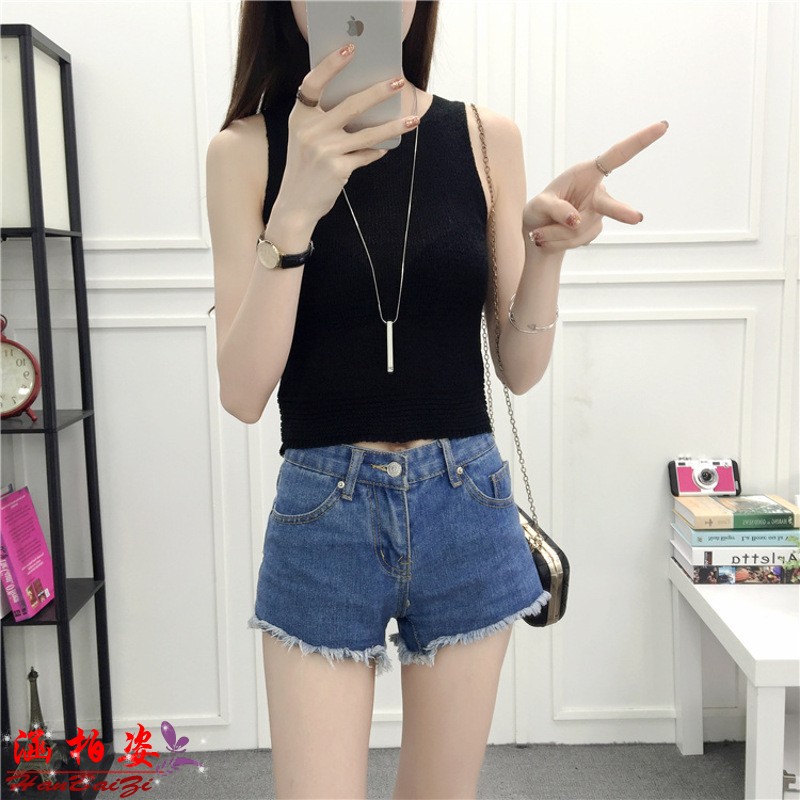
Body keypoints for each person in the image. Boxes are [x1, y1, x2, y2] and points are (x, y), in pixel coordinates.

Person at [205, 2, 668, 797]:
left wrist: (546, 254)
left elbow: (517, 367)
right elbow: (244, 394)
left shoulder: (486, 139)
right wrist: (295, 210)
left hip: (466, 504)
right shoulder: (244, 152)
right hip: (323, 515)